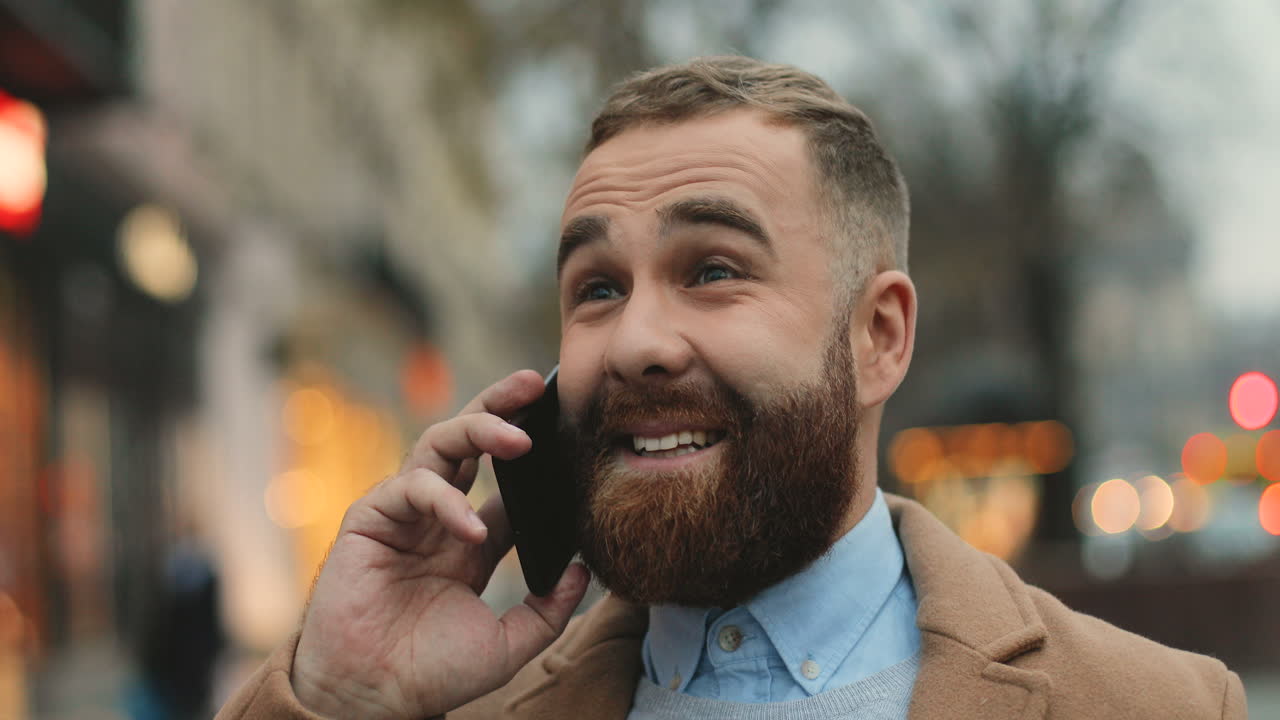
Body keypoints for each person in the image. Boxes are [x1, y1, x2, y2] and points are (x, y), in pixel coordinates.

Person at [217, 56, 1246, 719]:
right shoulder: (445, 710)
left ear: (878, 337)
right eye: (597, 288)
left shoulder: (1150, 705)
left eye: (711, 271)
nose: (634, 342)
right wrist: (336, 695)